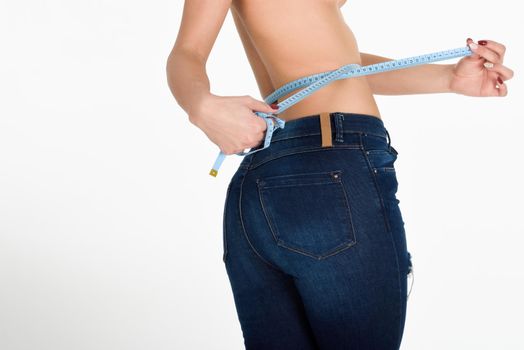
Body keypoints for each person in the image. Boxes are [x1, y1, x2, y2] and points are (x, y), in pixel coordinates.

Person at [166, 1, 513, 349]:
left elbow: (335, 66)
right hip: (332, 169)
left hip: (263, 181)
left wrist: (448, 78)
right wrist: (200, 105)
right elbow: (188, 51)